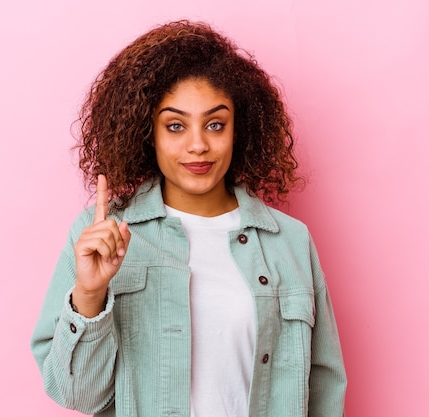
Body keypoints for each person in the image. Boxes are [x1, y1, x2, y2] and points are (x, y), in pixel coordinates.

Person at [31, 20, 347, 417]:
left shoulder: (290, 241)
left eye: (215, 124)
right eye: (175, 126)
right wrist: (91, 295)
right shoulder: (99, 235)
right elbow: (76, 395)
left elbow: (324, 386)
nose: (198, 145)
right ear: (149, 133)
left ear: (239, 129)